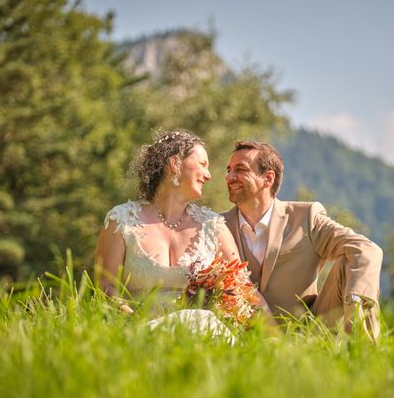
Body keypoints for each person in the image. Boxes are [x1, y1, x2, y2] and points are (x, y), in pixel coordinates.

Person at [95, 130, 267, 336]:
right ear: (174, 164)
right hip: (139, 335)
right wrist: (139, 326)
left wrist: (275, 339)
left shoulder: (214, 226)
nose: (209, 176)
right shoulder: (121, 221)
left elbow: (243, 290)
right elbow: (106, 288)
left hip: (203, 336)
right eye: (203, 165)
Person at [222, 141, 383, 339]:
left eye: (240, 169)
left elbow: (367, 249)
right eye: (229, 170)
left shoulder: (306, 217)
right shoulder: (217, 226)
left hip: (308, 335)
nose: (229, 177)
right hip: (240, 338)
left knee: (350, 259)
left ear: (267, 178)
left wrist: (355, 304)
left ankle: (364, 349)